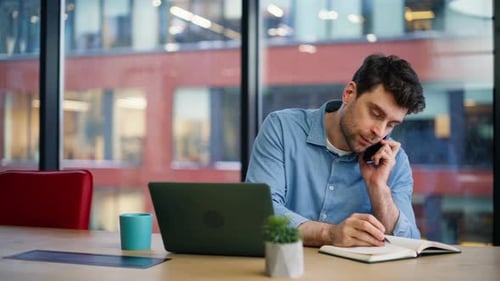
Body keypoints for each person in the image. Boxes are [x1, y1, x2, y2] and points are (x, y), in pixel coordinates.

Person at [246, 53, 426, 247]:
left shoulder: (393, 161)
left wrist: (378, 188)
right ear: (349, 93)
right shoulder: (282, 128)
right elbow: (259, 212)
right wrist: (329, 234)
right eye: (375, 114)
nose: (379, 132)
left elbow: (408, 244)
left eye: (391, 124)